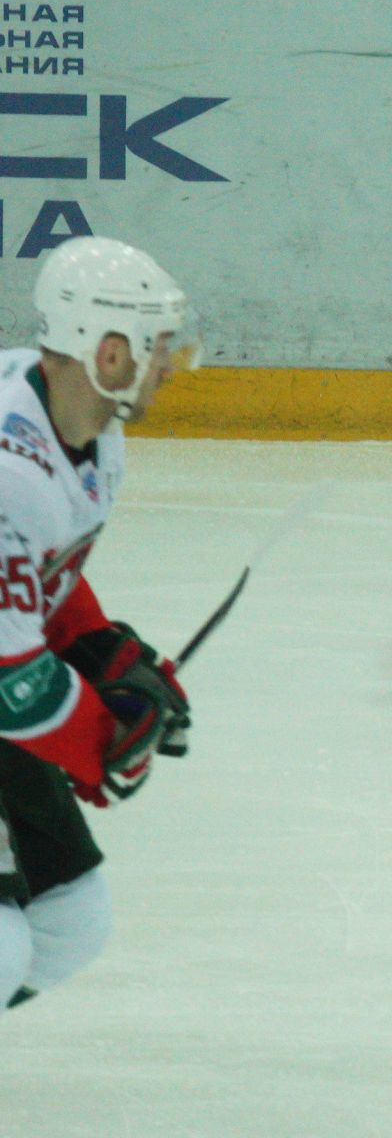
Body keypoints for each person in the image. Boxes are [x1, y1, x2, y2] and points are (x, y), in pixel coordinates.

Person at [0, 236, 194, 1012]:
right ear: (110, 355)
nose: (171, 365)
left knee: (71, 923)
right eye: (159, 346)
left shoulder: (89, 435)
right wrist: (101, 743)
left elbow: (43, 579)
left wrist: (103, 652)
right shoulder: (10, 473)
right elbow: (11, 684)